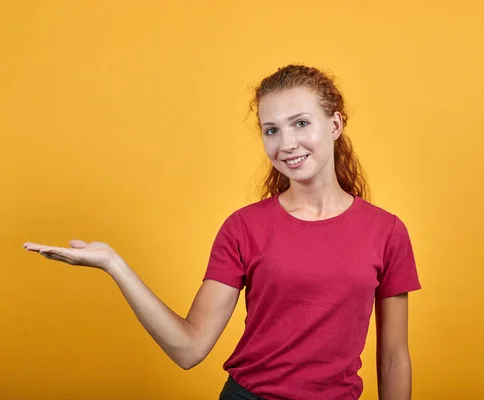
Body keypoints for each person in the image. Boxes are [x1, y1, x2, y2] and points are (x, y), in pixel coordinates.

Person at [23, 64, 421, 400]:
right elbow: (189, 348)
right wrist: (114, 264)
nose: (287, 143)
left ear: (334, 125)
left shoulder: (386, 231)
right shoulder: (244, 227)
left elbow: (393, 357)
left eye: (300, 123)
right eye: (271, 130)